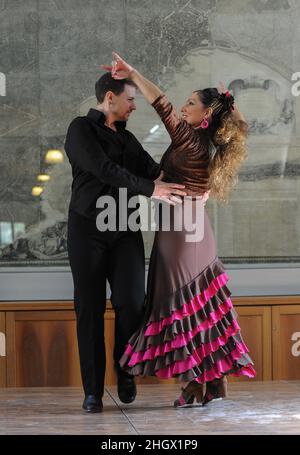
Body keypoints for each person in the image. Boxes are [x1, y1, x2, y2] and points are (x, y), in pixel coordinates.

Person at [102, 52, 257, 407]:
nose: (184, 107)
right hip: (195, 230)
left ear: (206, 116)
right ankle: (213, 383)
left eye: (191, 104)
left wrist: (134, 73)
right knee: (202, 306)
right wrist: (226, 105)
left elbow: (160, 103)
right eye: (186, 102)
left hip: (179, 235)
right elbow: (242, 128)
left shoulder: (189, 139)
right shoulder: (207, 144)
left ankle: (193, 385)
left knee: (182, 305)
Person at [65, 72, 188, 412]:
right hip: (87, 230)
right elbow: (103, 169)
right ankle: (92, 391)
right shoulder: (80, 129)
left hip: (125, 231)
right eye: (130, 99)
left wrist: (197, 174)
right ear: (110, 97)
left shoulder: (130, 140)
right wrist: (152, 189)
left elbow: (156, 174)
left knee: (132, 302)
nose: (134, 105)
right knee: (89, 308)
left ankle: (126, 371)